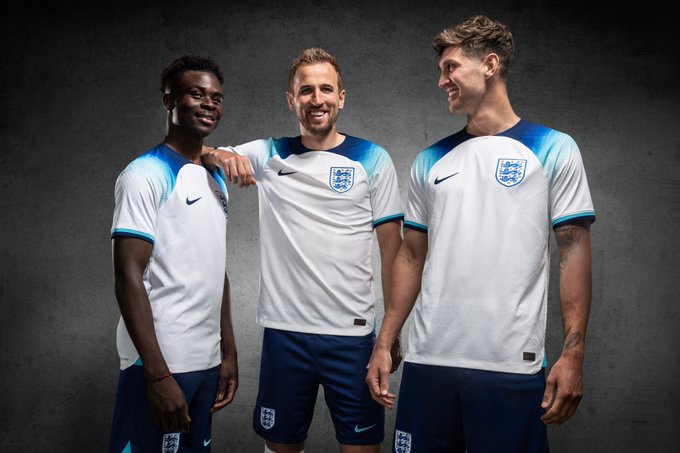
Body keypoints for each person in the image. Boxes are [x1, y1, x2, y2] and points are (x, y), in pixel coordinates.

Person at [365, 15, 596, 453]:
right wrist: (385, 340)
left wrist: (573, 353)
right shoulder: (429, 160)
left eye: (450, 67)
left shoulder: (553, 147)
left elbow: (573, 251)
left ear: (489, 65)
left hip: (510, 364)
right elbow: (411, 257)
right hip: (427, 361)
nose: (441, 80)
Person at [202, 47, 404, 453]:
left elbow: (393, 255)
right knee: (280, 447)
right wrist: (218, 153)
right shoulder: (269, 153)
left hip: (351, 337)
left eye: (326, 89)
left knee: (362, 449)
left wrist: (389, 333)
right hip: (285, 335)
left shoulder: (372, 159)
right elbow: (202, 154)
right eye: (306, 90)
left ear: (341, 97)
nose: (317, 99)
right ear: (291, 99)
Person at [108, 54, 238, 453]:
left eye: (215, 97)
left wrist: (228, 351)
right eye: (196, 94)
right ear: (169, 101)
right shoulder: (144, 175)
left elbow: (216, 268)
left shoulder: (216, 177)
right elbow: (128, 274)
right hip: (160, 363)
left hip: (206, 360)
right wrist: (158, 375)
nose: (208, 104)